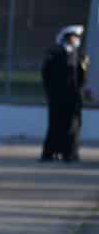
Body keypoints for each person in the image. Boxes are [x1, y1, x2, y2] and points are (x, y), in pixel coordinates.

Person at [40, 25, 86, 163]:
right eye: (74, 37)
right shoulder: (54, 53)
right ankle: (50, 153)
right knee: (55, 124)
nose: (76, 40)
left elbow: (82, 77)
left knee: (73, 126)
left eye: (77, 37)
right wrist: (50, 92)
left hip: (74, 97)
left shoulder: (80, 55)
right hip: (57, 96)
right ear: (67, 38)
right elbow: (46, 75)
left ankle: (70, 153)